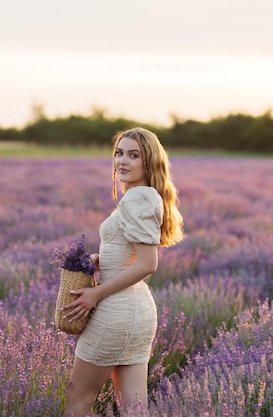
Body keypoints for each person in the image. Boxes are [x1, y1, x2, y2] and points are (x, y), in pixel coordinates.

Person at [62, 127, 184, 416]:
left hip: (115, 312)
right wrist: (99, 259)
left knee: (79, 398)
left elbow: (147, 264)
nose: (122, 161)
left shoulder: (138, 198)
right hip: (138, 313)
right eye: (119, 153)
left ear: (149, 162)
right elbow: (131, 254)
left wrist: (95, 294)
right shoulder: (146, 196)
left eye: (133, 155)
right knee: (134, 409)